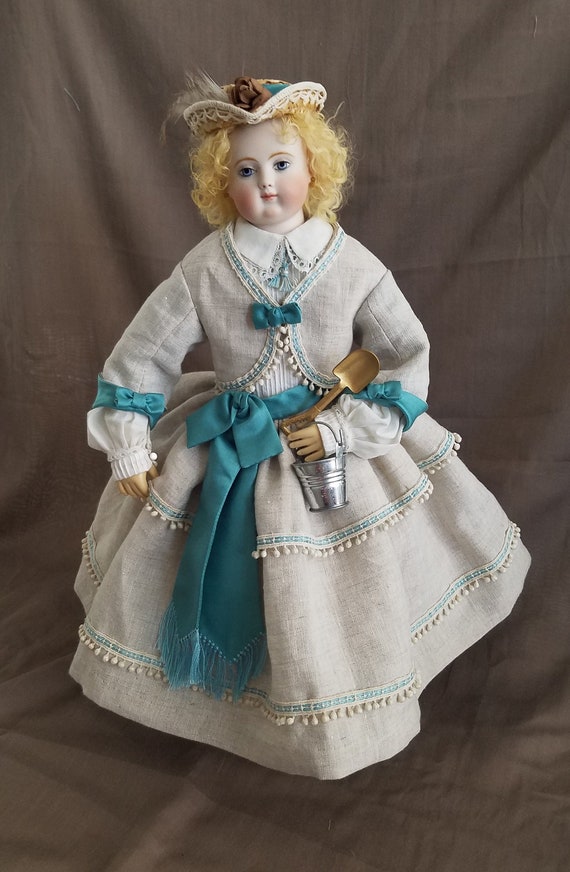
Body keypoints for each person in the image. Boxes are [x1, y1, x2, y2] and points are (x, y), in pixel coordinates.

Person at [70, 75, 530, 779]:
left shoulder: (351, 264)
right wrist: (128, 443)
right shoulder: (205, 268)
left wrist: (347, 427)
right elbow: (143, 354)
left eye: (282, 163)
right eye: (245, 171)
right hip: (229, 442)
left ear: (315, 167)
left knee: (345, 581)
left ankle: (338, 699)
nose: (266, 184)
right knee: (220, 559)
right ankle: (232, 704)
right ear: (222, 184)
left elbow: (405, 355)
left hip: (329, 439)